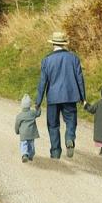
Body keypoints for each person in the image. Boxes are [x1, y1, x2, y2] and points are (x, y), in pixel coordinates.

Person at [35, 30, 86, 159]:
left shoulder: (46, 60)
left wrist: (38, 102)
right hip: (70, 96)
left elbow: (42, 82)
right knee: (71, 121)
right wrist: (83, 98)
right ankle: (69, 138)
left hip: (53, 98)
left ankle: (55, 153)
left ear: (53, 44)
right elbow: (80, 79)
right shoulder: (73, 58)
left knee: (53, 125)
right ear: (64, 44)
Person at [14, 94, 41, 163]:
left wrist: (17, 131)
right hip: (31, 133)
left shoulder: (19, 116)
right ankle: (30, 156)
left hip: (23, 134)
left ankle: (24, 155)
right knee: (31, 145)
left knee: (23, 144)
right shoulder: (32, 113)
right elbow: (38, 114)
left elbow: (17, 125)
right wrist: (38, 108)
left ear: (22, 105)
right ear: (29, 105)